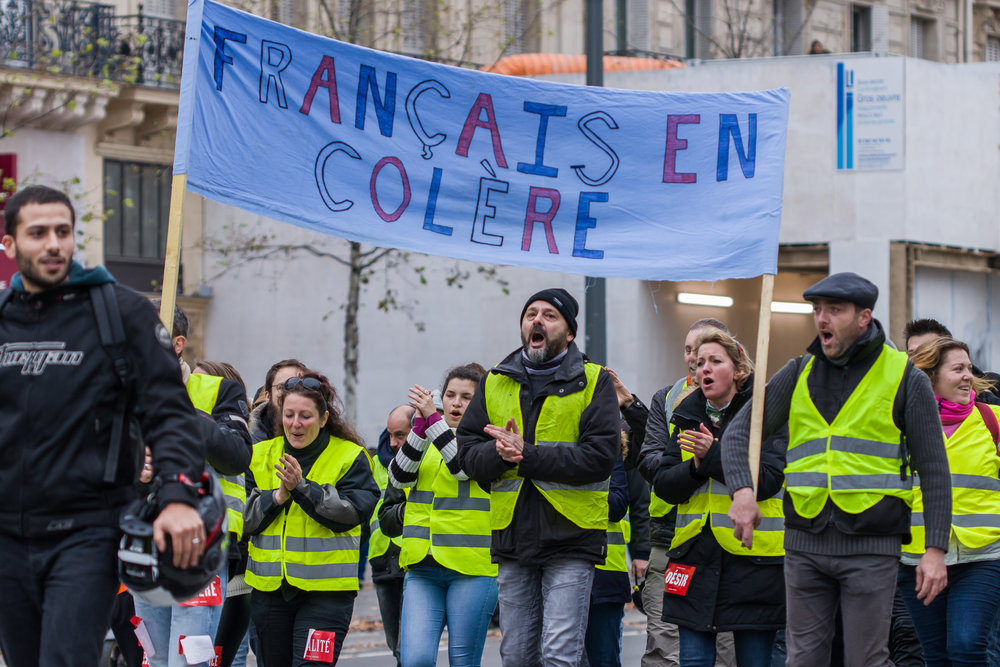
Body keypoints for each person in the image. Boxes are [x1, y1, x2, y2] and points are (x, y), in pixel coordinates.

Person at [0, 185, 206, 667]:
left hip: (87, 532)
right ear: (9, 244)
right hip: (7, 535)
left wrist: (178, 499)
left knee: (65, 659)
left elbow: (170, 415)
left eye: (63, 231)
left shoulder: (120, 313)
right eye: (37, 233)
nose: (53, 243)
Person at [723, 272, 952, 666]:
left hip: (871, 544)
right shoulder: (798, 372)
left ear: (864, 317)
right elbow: (738, 434)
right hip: (803, 543)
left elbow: (934, 470)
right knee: (803, 660)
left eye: (835, 310)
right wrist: (743, 491)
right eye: (817, 310)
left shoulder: (904, 378)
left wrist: (934, 550)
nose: (822, 319)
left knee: (865, 660)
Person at [458, 287, 620, 666]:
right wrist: (498, 455)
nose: (537, 320)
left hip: (572, 537)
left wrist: (526, 455)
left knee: (559, 655)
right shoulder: (494, 380)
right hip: (513, 537)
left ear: (569, 332)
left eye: (549, 315)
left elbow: (599, 458)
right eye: (531, 313)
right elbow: (467, 453)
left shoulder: (595, 381)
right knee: (516, 656)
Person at [654, 329, 785, 666]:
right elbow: (664, 485)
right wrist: (696, 469)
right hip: (693, 557)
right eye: (699, 364)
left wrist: (712, 456)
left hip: (752, 559)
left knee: (755, 662)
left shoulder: (765, 413)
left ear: (738, 370)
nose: (704, 370)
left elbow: (769, 480)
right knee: (693, 661)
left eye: (715, 361)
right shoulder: (686, 415)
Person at [134, 312, 252, 667]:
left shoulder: (219, 391)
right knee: (156, 660)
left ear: (177, 344)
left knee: (188, 661)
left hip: (201, 544)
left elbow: (237, 456)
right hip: (143, 549)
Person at [244, 371, 379, 666]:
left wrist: (302, 488)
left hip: (326, 595)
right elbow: (243, 520)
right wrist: (277, 497)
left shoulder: (350, 456)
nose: (295, 423)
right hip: (270, 592)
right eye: (289, 415)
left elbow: (353, 513)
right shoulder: (258, 455)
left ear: (323, 418)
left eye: (305, 416)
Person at [380, 364, 498, 667]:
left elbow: (462, 467)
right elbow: (399, 478)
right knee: (415, 660)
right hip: (422, 567)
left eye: (466, 397)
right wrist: (419, 426)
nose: (456, 403)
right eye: (449, 395)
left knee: (462, 661)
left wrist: (432, 419)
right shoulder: (427, 436)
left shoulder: (488, 441)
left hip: (472, 568)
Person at [638, 318, 735, 667]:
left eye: (707, 351)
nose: (696, 358)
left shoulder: (746, 403)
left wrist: (710, 456)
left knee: (726, 651)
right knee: (664, 646)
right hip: (670, 538)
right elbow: (650, 463)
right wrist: (693, 464)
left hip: (729, 544)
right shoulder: (666, 399)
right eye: (689, 350)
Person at [901, 337, 1000, 665]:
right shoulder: (899, 426)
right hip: (917, 559)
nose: (968, 376)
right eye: (958, 369)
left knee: (966, 645)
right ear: (930, 377)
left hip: (982, 556)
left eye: (969, 368)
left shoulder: (992, 419)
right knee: (936, 654)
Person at [584, 368, 650, 667]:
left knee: (603, 655)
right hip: (557, 563)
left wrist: (641, 552)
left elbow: (635, 500)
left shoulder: (621, 437)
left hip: (606, 566)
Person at [368, 405, 414, 666]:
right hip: (382, 560)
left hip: (412, 558)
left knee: (410, 643)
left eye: (401, 435)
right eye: (390, 435)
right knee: (393, 642)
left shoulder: (421, 458)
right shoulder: (375, 463)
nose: (394, 442)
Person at [904, 318, 1000, 405]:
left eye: (929, 352)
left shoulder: (989, 394)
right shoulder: (902, 399)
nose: (919, 359)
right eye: (912, 354)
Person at [249, 358, 308, 442]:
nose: (289, 393)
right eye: (281, 387)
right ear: (268, 396)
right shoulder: (247, 441)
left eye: (297, 386)